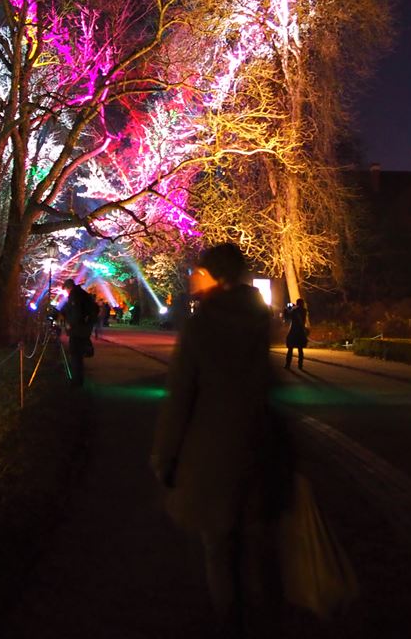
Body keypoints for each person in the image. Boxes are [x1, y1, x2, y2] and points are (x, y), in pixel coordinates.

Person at [151, 243, 289, 636]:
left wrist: (164, 454)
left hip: (210, 456)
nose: (193, 276)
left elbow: (181, 395)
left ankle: (231, 624)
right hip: (257, 449)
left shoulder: (202, 323)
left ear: (216, 276)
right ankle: (264, 618)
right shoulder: (257, 319)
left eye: (200, 271)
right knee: (255, 545)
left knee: (218, 548)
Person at [60, 278, 97, 387]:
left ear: (68, 287)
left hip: (77, 331)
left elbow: (76, 313)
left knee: (75, 355)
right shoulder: (82, 294)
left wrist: (70, 324)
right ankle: (78, 379)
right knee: (78, 356)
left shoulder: (75, 295)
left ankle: (77, 381)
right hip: (83, 330)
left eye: (66, 290)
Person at [284, 298, 309, 370]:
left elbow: (287, 316)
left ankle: (288, 365)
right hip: (300, 332)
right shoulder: (304, 311)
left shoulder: (295, 310)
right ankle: (300, 365)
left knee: (290, 349)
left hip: (294, 332)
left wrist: (289, 307)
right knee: (300, 350)